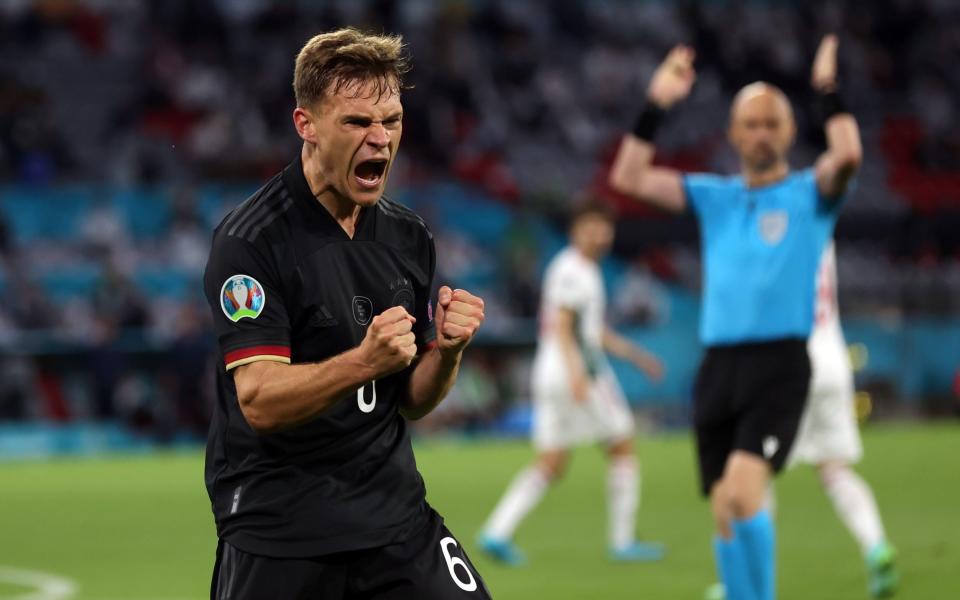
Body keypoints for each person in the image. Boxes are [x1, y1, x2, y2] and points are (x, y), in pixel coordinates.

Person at [202, 28, 491, 599]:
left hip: (393, 516)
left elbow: (410, 400)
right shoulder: (251, 242)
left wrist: (448, 353)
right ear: (306, 125)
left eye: (393, 121)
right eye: (358, 123)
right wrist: (362, 361)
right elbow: (258, 401)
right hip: (281, 527)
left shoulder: (409, 237)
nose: (380, 139)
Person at [609, 35, 862, 600]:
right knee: (724, 506)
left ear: (791, 131)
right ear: (733, 133)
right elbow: (627, 178)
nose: (762, 133)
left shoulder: (810, 194)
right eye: (751, 124)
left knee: (745, 496)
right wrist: (657, 102)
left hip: (780, 365)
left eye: (773, 123)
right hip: (719, 367)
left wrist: (826, 89)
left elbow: (846, 156)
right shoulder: (713, 196)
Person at [477, 201, 666, 565]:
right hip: (579, 373)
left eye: (604, 227)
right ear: (575, 230)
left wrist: (638, 357)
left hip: (557, 372)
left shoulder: (579, 269)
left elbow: (593, 331)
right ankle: (623, 541)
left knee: (552, 461)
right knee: (622, 446)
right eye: (591, 226)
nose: (600, 234)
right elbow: (564, 327)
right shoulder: (574, 271)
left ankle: (496, 532)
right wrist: (577, 375)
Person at [788, 242, 898, 598]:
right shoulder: (821, 227)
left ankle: (740, 584)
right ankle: (875, 546)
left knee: (751, 471)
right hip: (832, 360)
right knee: (835, 469)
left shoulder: (773, 226)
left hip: (788, 363)